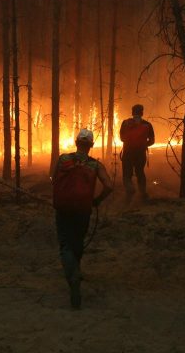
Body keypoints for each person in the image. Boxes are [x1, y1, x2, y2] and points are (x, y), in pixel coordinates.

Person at [52, 129, 113, 309]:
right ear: (91, 145)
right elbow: (109, 186)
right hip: (83, 210)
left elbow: (54, 179)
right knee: (78, 241)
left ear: (76, 142)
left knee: (65, 244)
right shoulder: (95, 165)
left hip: (63, 208)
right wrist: (97, 201)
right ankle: (76, 269)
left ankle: (73, 276)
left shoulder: (63, 159)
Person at [119, 104, 155, 200]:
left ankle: (129, 192)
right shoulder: (147, 124)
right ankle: (142, 193)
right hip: (140, 154)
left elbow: (122, 138)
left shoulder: (125, 123)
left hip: (127, 153)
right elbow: (152, 141)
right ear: (142, 113)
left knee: (127, 174)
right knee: (140, 173)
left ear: (132, 112)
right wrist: (144, 145)